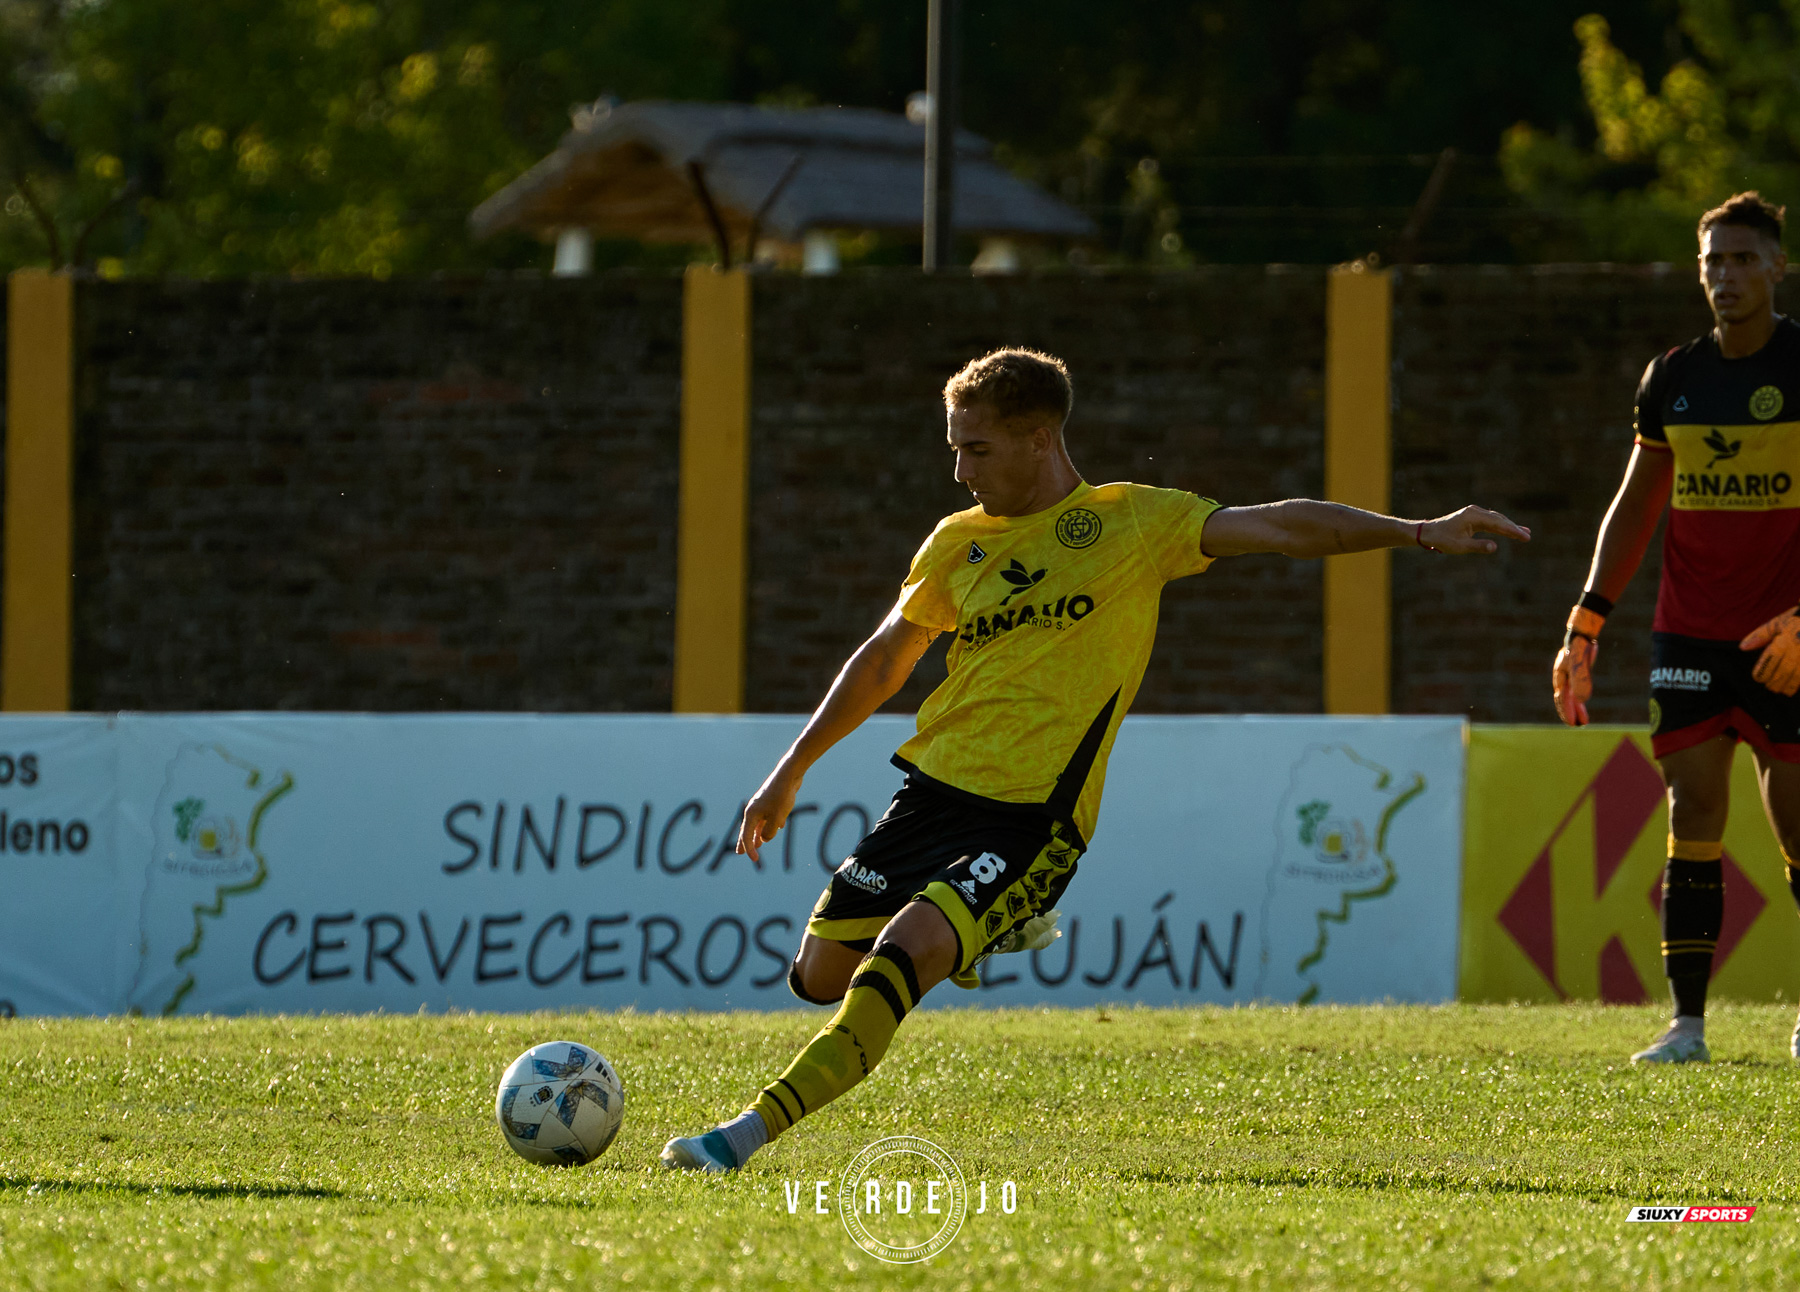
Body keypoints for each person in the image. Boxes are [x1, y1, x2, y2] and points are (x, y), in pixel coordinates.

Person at [663, 346, 1529, 1172]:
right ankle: (989, 931)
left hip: (1033, 816)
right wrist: (790, 770)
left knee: (903, 954)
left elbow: (1283, 527)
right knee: (819, 979)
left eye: (977, 448)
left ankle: (742, 1136)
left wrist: (1416, 531)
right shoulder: (956, 541)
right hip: (929, 795)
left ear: (1041, 438)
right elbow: (887, 655)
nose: (960, 470)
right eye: (954, 448)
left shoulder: (1131, 523)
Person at [1552, 191, 1800, 1064]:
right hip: (1689, 635)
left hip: (1787, 638)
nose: (1725, 277)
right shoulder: (1674, 378)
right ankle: (1687, 1026)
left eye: (1742, 260)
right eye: (1712, 263)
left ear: (1777, 265)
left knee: (1797, 822)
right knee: (1691, 807)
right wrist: (1587, 619)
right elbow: (1634, 507)